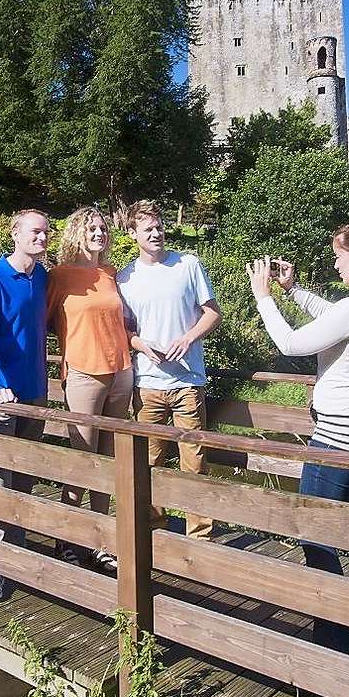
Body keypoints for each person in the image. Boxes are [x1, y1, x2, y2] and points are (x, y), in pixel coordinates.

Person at [246, 217, 349, 655]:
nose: (336, 266)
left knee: (315, 533)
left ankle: (335, 640)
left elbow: (292, 344)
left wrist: (264, 298)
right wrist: (294, 290)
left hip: (340, 440)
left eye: (339, 257)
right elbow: (338, 319)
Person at [46, 206, 148, 570]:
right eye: (91, 228)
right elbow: (38, 323)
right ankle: (69, 540)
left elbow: (126, 321)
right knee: (82, 461)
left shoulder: (110, 274)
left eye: (103, 228)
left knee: (107, 463)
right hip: (84, 374)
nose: (99, 233)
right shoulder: (58, 276)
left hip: (120, 372)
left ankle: (102, 542)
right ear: (76, 232)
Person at [116, 200, 222, 540]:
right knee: (149, 463)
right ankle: (154, 530)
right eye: (147, 229)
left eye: (159, 226)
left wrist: (189, 338)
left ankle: (200, 535)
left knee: (195, 463)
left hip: (188, 383)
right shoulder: (125, 278)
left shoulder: (188, 265)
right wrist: (142, 345)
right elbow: (125, 332)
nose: (156, 233)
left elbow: (213, 313)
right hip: (146, 384)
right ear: (132, 234)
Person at [0, 209, 51, 602]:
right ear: (15, 235)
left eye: (46, 233)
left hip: (34, 393)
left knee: (25, 478)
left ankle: (14, 552)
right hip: (2, 398)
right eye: (35, 232)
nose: (42, 238)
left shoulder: (43, 279)